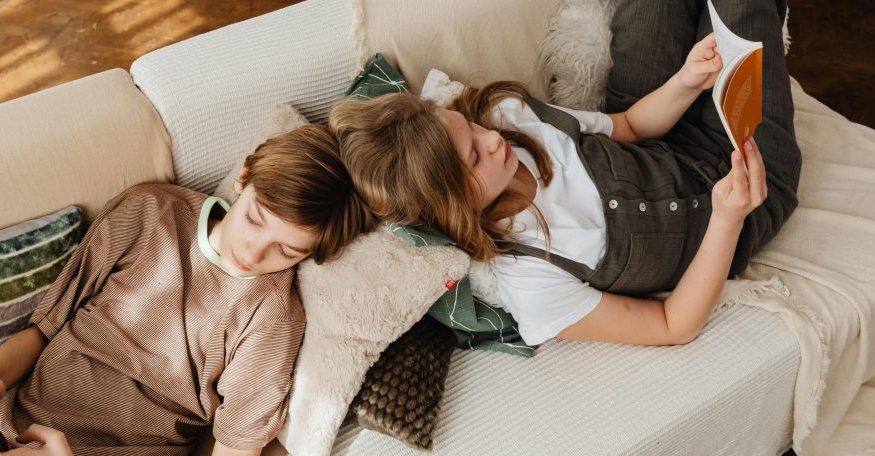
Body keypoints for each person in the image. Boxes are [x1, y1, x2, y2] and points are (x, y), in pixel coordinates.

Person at [0, 124, 372, 456]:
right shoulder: (148, 212)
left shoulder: (272, 321)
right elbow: (42, 332)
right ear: (244, 177)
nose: (254, 252)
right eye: (254, 218)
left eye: (286, 251)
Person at [329, 0, 799, 347]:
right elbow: (673, 325)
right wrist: (726, 219)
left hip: (664, 139)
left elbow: (630, 126)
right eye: (475, 157)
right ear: (448, 206)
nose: (492, 140)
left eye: (471, 128)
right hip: (748, 189)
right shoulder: (530, 277)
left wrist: (685, 82)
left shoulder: (508, 117)